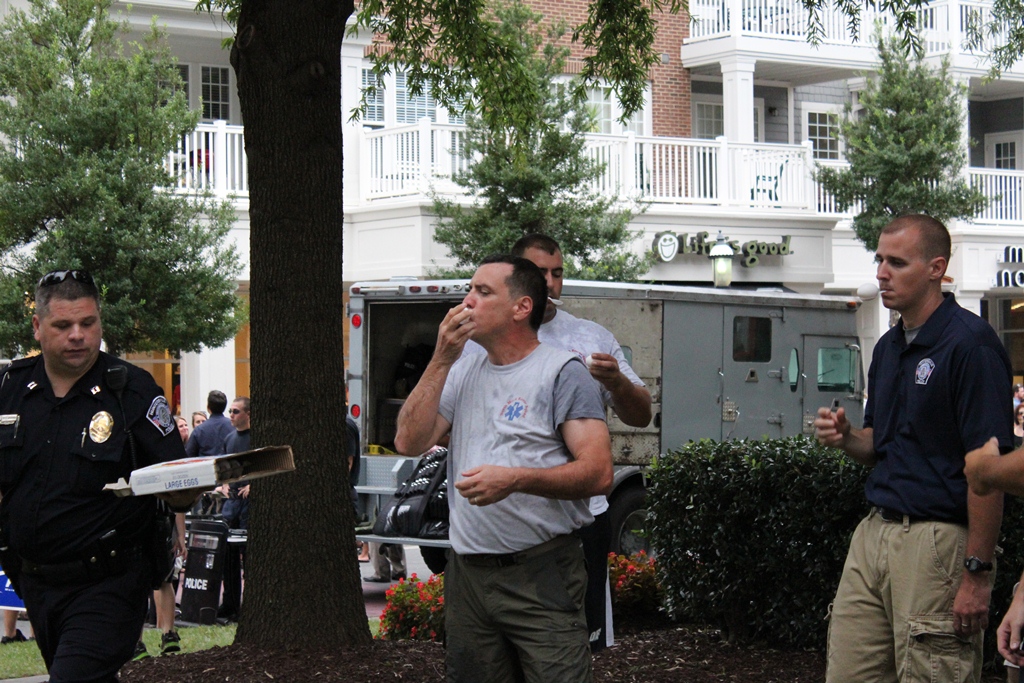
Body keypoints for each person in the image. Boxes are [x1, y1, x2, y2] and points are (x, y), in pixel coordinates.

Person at [395, 254, 613, 683]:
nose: (467, 301)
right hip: (468, 576)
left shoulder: (561, 373)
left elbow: (599, 474)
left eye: (483, 291)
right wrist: (441, 358)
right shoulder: (462, 368)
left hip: (541, 572)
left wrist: (515, 480)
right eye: (469, 289)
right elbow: (408, 441)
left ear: (521, 307)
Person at [813, 215, 1012, 683]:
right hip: (874, 534)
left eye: (897, 263)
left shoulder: (972, 345)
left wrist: (977, 574)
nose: (882, 272)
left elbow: (990, 473)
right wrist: (847, 437)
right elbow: (880, 445)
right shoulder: (888, 347)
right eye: (879, 259)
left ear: (936, 268)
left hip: (937, 543)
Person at [0, 269, 190, 682]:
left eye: (88, 323)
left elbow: (176, 478)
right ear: (37, 327)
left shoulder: (131, 390)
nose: (77, 335)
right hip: (35, 581)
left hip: (109, 583)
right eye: (62, 325)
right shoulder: (10, 389)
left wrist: (189, 487)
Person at [217, 396, 250, 622]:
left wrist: (253, 485)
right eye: (230, 411)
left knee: (248, 556)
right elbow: (224, 468)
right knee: (228, 557)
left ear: (248, 414)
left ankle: (248, 604)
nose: (231, 415)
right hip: (232, 503)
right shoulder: (229, 438)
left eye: (236, 411)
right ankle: (230, 603)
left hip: (249, 504)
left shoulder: (255, 438)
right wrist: (224, 484)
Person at [184, 391, 232, 457]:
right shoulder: (233, 426)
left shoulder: (199, 430)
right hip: (229, 462)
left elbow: (189, 455)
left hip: (206, 462)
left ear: (208, 407)